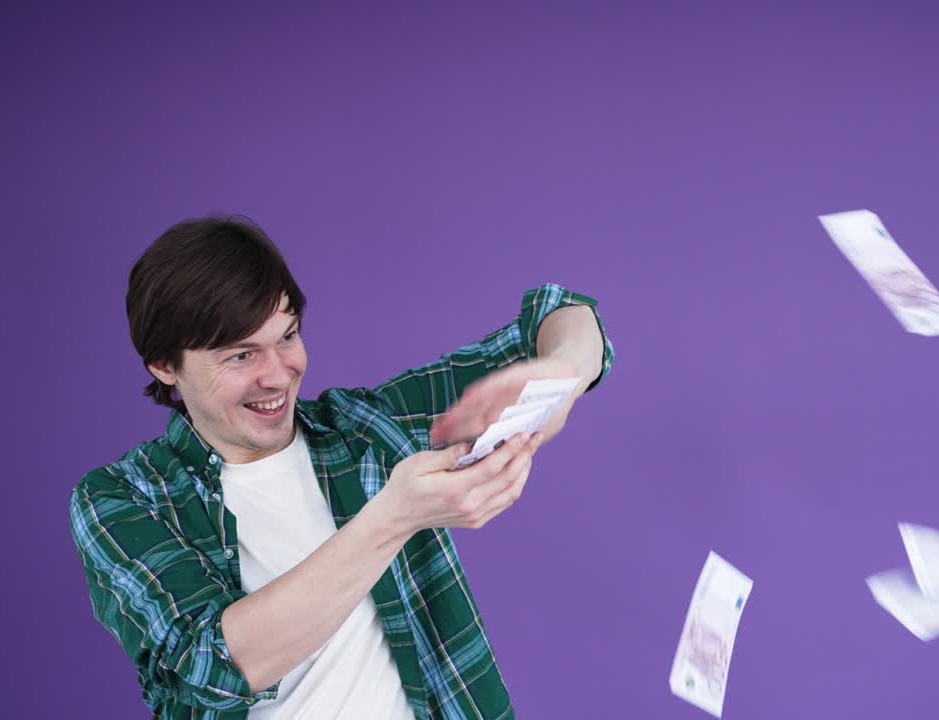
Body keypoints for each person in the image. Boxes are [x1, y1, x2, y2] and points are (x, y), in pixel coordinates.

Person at [68, 216, 614, 719]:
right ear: (165, 365)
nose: (278, 375)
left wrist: (561, 374)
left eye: (287, 336)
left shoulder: (363, 430)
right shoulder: (122, 498)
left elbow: (562, 313)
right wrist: (395, 517)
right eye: (240, 355)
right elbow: (217, 664)